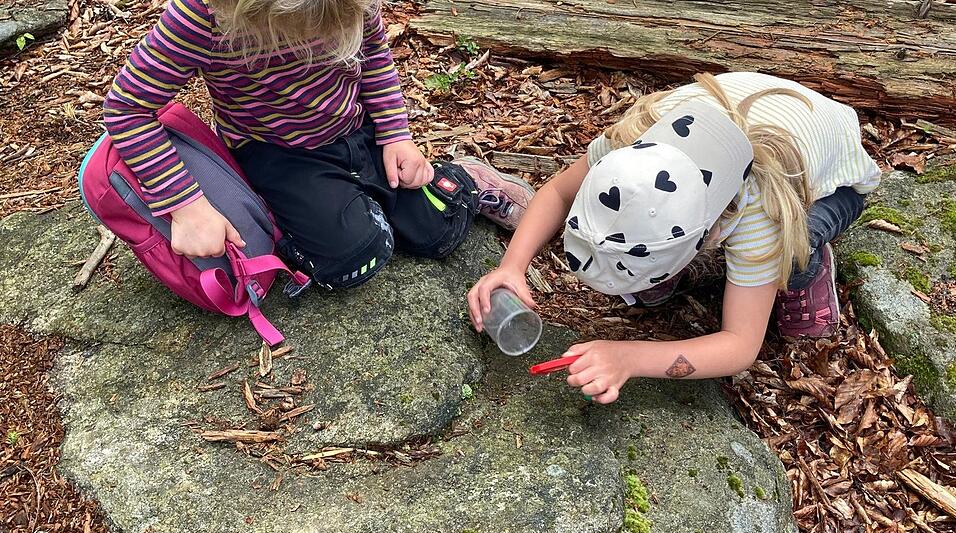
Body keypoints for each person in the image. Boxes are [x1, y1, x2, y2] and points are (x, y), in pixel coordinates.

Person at [467, 72, 881, 404]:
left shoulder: (763, 210)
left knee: (791, 248)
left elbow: (740, 346)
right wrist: (512, 266)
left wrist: (629, 357)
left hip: (829, 186)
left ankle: (808, 268)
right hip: (745, 118)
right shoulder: (634, 144)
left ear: (705, 229)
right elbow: (559, 191)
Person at [102, 0, 534, 290]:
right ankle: (327, 209)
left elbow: (374, 55)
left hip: (356, 129)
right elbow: (127, 108)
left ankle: (463, 178)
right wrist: (187, 206)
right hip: (276, 150)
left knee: (436, 232)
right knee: (351, 260)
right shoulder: (203, 15)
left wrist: (395, 133)